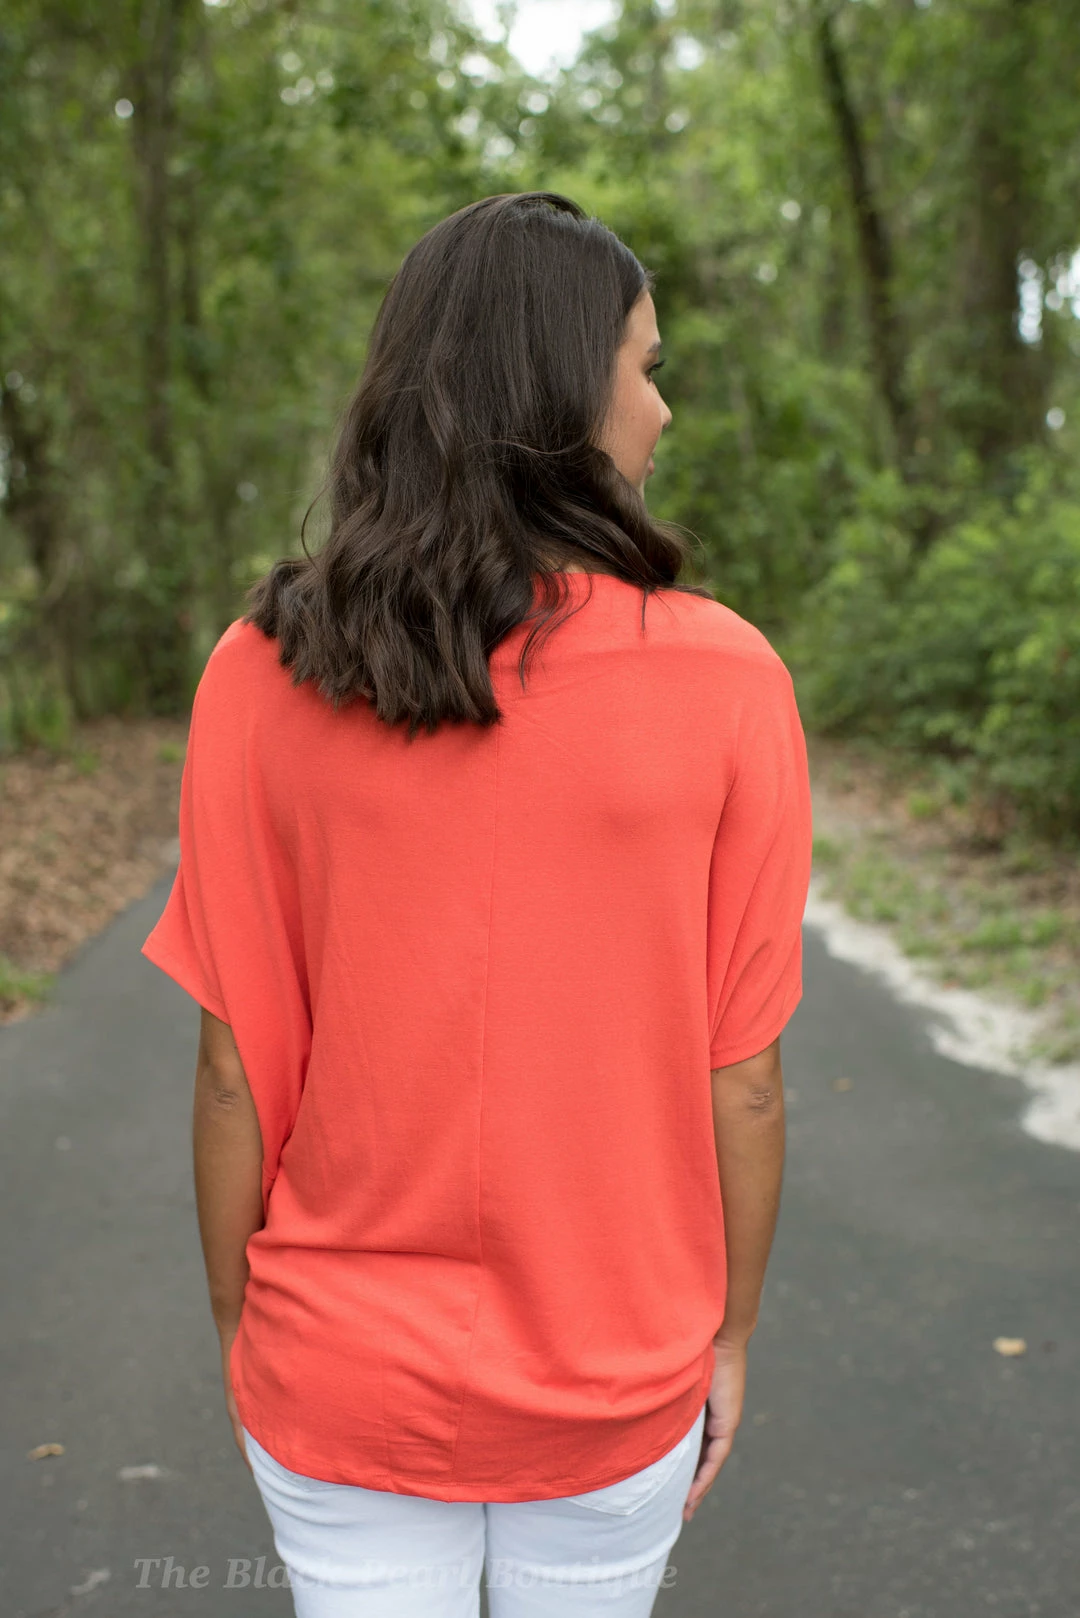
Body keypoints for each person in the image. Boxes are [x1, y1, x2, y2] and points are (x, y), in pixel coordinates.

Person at [140, 191, 813, 1617]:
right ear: (565, 394)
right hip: (616, 1373)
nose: (664, 408)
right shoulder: (729, 679)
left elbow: (233, 1066)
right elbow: (743, 1078)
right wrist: (731, 1333)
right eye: (645, 367)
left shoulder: (262, 671)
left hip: (336, 1369)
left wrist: (243, 1327)